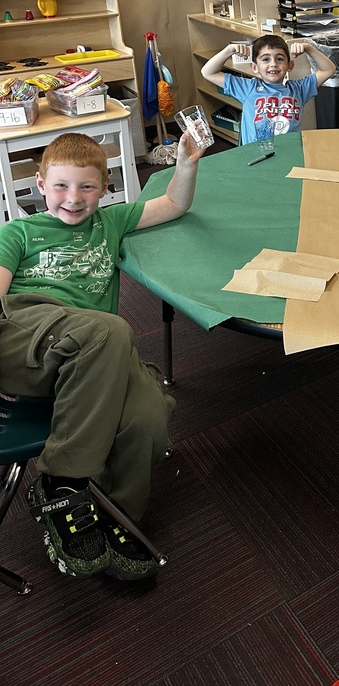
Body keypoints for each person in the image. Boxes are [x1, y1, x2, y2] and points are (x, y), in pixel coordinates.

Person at [0, 130, 203, 580]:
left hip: (95, 356)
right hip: (27, 337)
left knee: (149, 418)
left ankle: (110, 515)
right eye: (61, 186)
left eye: (87, 186)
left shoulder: (109, 223)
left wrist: (187, 165)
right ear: (39, 185)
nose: (73, 198)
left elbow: (173, 205)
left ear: (106, 186)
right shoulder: (19, 231)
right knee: (111, 328)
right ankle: (61, 482)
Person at [201, 34, 336, 144]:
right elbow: (208, 72)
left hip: (289, 154)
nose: (273, 64)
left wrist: (308, 48)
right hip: (256, 156)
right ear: (254, 67)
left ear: (290, 65)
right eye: (266, 59)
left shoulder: (299, 89)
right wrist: (229, 50)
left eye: (279, 59)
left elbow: (329, 69)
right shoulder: (248, 88)